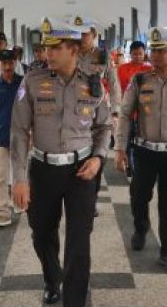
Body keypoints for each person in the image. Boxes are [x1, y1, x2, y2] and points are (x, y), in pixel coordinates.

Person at [11, 17, 111, 307]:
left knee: (79, 239)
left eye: (55, 48)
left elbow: (104, 127)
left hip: (81, 170)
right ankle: (52, 279)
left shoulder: (93, 83)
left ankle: (74, 300)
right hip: (43, 170)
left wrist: (98, 158)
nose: (48, 53)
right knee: (42, 233)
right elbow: (18, 131)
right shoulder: (32, 81)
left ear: (74, 50)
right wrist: (19, 178)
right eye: (46, 47)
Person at [115, 27, 167, 274]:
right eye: (153, 50)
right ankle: (141, 226)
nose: (155, 56)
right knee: (139, 196)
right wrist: (120, 149)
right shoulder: (140, 80)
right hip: (144, 151)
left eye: (161, 50)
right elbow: (125, 114)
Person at [74, 15, 122, 216]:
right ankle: (77, 198)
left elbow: (114, 84)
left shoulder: (103, 56)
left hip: (98, 112)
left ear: (94, 35)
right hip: (75, 113)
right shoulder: (70, 53)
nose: (82, 37)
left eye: (85, 33)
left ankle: (91, 199)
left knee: (97, 156)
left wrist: (115, 111)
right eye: (78, 34)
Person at [0, 49, 23, 227]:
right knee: (0, 177)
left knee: (19, 174)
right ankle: (2, 213)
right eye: (4, 63)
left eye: (10, 63)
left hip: (21, 137)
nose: (8, 66)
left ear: (15, 63)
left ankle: (19, 203)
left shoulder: (23, 83)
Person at [115, 40, 152, 178]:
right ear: (130, 54)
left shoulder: (149, 69)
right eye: (135, 54)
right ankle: (128, 165)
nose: (137, 56)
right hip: (127, 110)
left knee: (141, 140)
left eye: (140, 54)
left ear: (145, 54)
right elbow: (118, 88)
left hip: (144, 111)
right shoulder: (122, 69)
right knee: (127, 139)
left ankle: (140, 167)